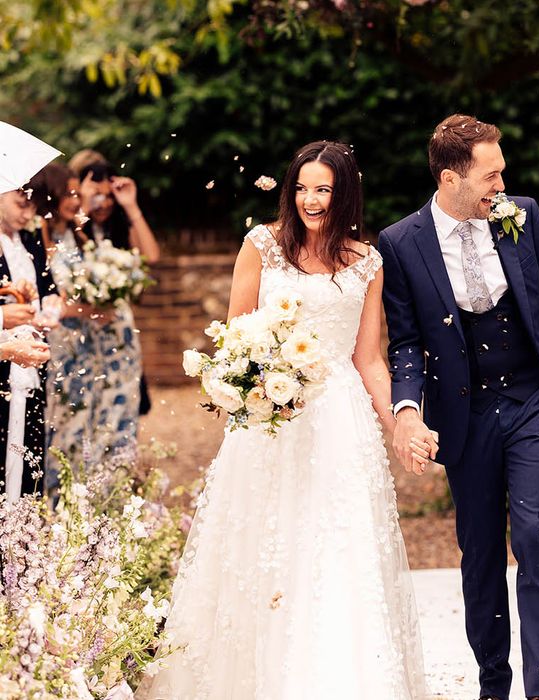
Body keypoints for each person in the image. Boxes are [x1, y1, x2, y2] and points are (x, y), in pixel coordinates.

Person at [144, 141, 425, 699]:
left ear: (345, 194)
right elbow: (235, 339)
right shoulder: (261, 246)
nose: (310, 199)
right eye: (302, 187)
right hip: (270, 421)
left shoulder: (366, 261)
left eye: (323, 189)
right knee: (265, 544)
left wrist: (399, 426)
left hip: (342, 421)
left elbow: (368, 357)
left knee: (339, 546)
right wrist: (251, 389)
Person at [379, 114, 539, 700]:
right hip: (466, 411)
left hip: (532, 398)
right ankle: (493, 685)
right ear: (452, 177)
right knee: (480, 551)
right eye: (491, 174)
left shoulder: (521, 216)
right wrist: (408, 409)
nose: (501, 185)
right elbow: (404, 340)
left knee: (535, 535)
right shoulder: (401, 243)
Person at [46, 161, 159, 474]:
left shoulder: (108, 229)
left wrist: (130, 204)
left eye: (106, 194)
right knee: (76, 424)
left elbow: (150, 257)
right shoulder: (65, 232)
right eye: (93, 192)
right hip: (77, 344)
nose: (102, 201)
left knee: (114, 420)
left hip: (113, 343)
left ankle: (111, 495)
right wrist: (93, 308)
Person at [0, 182, 63, 501]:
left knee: (29, 451)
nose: (30, 212)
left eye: (33, 204)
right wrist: (3, 317)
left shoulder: (31, 240)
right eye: (20, 202)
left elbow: (49, 288)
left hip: (31, 364)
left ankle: (21, 539)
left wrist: (51, 305)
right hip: (3, 362)